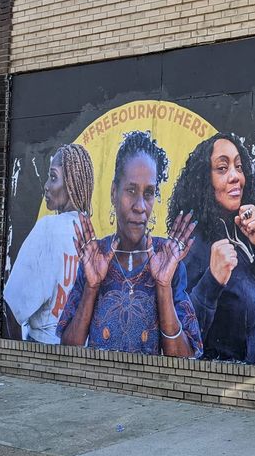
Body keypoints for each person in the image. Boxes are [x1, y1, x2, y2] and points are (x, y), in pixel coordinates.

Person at [57, 131, 202, 357]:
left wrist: (163, 286)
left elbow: (185, 358)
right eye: (131, 191)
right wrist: (91, 287)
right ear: (114, 192)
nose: (140, 206)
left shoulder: (169, 260)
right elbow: (68, 349)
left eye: (149, 193)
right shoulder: (95, 256)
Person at [167, 133, 255, 364]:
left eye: (238, 167)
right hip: (220, 389)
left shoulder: (243, 231)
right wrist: (212, 281)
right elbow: (179, 340)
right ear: (203, 180)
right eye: (222, 168)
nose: (235, 177)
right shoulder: (192, 243)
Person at [3, 144, 95, 343]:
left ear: (71, 183)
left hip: (42, 348)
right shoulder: (91, 235)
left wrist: (19, 357)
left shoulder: (47, 229)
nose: (46, 185)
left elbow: (10, 308)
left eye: (53, 177)